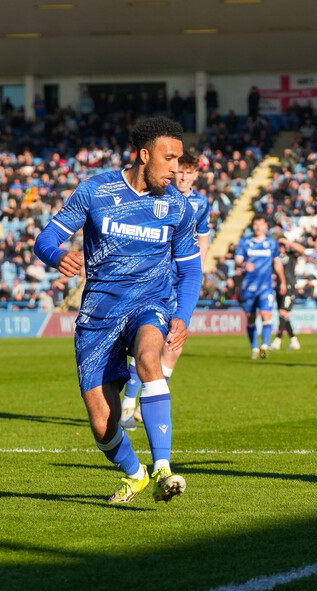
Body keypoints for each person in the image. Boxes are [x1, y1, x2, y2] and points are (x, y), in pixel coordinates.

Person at [33, 116, 201, 504]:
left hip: (151, 302)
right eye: (170, 158)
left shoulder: (177, 206)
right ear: (145, 155)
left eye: (180, 159)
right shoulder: (96, 191)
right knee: (102, 423)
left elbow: (190, 269)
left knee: (148, 357)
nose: (177, 168)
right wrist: (58, 255)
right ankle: (136, 474)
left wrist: (182, 315)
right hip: (98, 314)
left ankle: (163, 468)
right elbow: (47, 238)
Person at [120, 151, 211, 431]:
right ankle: (127, 405)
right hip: (154, 280)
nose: (182, 176)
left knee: (175, 341)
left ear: (196, 175)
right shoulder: (160, 194)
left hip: (179, 281)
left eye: (188, 172)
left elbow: (203, 238)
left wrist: (197, 272)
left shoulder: (201, 203)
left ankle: (153, 396)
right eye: (179, 171)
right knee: (145, 344)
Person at [235, 216, 283, 359]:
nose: (258, 227)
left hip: (266, 287)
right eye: (255, 224)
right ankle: (254, 347)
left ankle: (264, 346)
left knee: (266, 315)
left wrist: (283, 281)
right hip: (248, 287)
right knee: (250, 318)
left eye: (260, 224)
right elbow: (238, 260)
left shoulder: (272, 243)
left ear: (265, 226)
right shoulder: (244, 242)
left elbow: (277, 263)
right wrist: (244, 265)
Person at [270, 235, 307, 351]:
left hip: (289, 286)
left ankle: (277, 341)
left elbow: (302, 250)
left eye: (282, 245)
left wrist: (288, 242)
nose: (281, 247)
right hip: (278, 287)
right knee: (283, 315)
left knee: (283, 312)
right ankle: (294, 341)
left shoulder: (291, 254)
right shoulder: (274, 256)